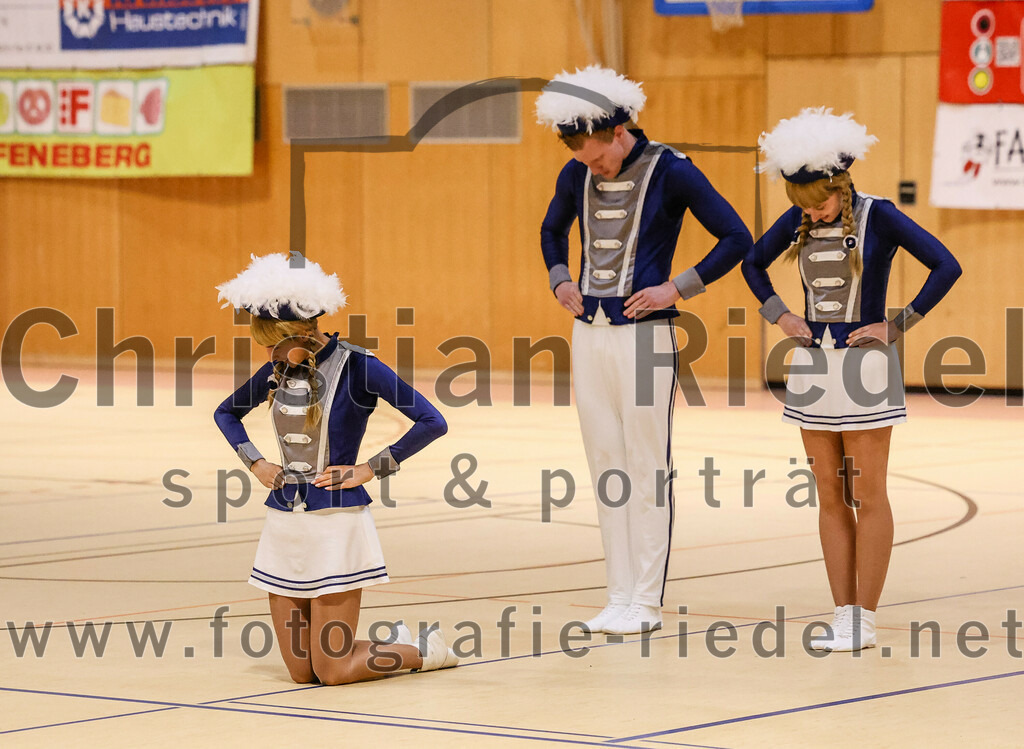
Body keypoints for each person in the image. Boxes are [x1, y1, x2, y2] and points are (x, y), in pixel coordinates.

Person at [536, 66, 752, 635]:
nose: (594, 167)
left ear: (620, 130)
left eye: (598, 157)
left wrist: (676, 287)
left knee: (645, 466)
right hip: (590, 334)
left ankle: (647, 602)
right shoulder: (576, 168)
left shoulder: (672, 170)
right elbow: (552, 229)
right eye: (584, 159)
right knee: (605, 461)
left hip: (646, 334)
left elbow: (736, 238)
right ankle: (617, 593)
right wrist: (561, 278)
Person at [742, 108, 962, 652]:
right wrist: (781, 316)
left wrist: (897, 324)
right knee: (828, 496)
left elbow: (946, 265)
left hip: (865, 367)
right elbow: (752, 263)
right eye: (803, 205)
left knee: (867, 492)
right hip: (813, 367)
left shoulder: (880, 216)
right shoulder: (800, 220)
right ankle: (842, 612)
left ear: (842, 184)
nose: (812, 213)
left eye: (820, 202)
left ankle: (865, 613)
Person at [214, 253, 458, 683]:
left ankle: (422, 650)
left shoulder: (359, 367)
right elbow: (226, 414)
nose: (268, 355)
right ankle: (398, 643)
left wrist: (370, 468)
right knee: (301, 672)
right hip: (283, 524)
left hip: (337, 524)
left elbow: (432, 421)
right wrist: (256, 462)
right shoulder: (279, 367)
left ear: (303, 334)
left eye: (273, 344)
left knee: (333, 669)